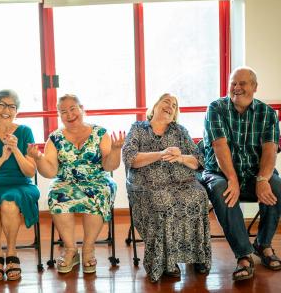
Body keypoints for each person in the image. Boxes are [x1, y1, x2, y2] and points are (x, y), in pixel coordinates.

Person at [27, 94, 124, 274]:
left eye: (73, 109)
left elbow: (110, 165)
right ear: (59, 115)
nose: (69, 114)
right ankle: (71, 250)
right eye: (63, 111)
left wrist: (116, 149)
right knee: (56, 194)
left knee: (98, 193)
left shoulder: (100, 133)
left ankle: (88, 249)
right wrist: (38, 158)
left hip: (97, 179)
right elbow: (50, 172)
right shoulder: (54, 138)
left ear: (81, 109)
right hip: (66, 180)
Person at [200, 67, 281, 281]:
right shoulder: (216, 108)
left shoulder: (268, 113)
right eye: (233, 83)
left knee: (276, 185)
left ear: (255, 87)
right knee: (221, 189)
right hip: (220, 172)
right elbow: (219, 146)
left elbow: (270, 149)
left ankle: (263, 244)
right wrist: (232, 179)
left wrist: (263, 179)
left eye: (242, 83)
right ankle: (244, 255)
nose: (236, 87)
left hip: (255, 173)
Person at [122, 93, 211, 283]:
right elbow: (130, 158)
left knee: (199, 195)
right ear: (154, 106)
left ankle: (197, 255)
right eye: (166, 102)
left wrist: (181, 158)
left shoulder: (180, 131)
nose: (170, 106)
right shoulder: (138, 129)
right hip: (148, 184)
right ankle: (167, 261)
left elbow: (198, 161)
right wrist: (161, 154)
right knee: (164, 201)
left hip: (183, 182)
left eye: (174, 105)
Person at [0, 89, 40, 282]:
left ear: (16, 111)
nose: (6, 110)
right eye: (2, 104)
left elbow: (30, 172)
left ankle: (11, 253)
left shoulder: (25, 131)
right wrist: (3, 158)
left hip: (21, 185)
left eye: (12, 106)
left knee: (10, 202)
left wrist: (16, 150)